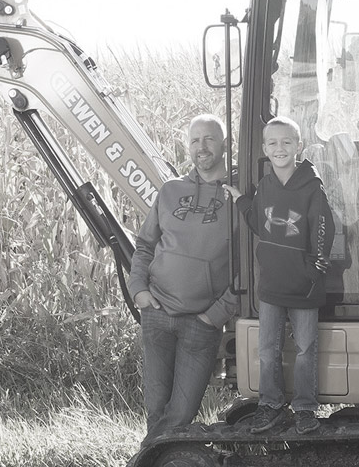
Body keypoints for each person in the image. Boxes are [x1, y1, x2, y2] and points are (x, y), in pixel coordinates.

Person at [128, 114, 238, 446]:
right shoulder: (171, 190)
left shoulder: (238, 197)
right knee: (156, 409)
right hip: (157, 315)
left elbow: (251, 266)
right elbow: (145, 244)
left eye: (208, 139)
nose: (201, 147)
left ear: (225, 145)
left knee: (180, 413)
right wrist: (139, 292)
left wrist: (215, 315)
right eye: (194, 140)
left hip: (200, 323)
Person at [239, 116, 333, 435]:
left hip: (304, 286)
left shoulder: (312, 186)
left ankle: (305, 408)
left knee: (306, 348)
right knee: (268, 349)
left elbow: (323, 228)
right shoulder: (265, 186)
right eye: (273, 143)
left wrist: (314, 268)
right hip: (272, 285)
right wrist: (241, 203)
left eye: (286, 142)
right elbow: (260, 223)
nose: (280, 148)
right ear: (265, 149)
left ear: (299, 146)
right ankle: (271, 403)